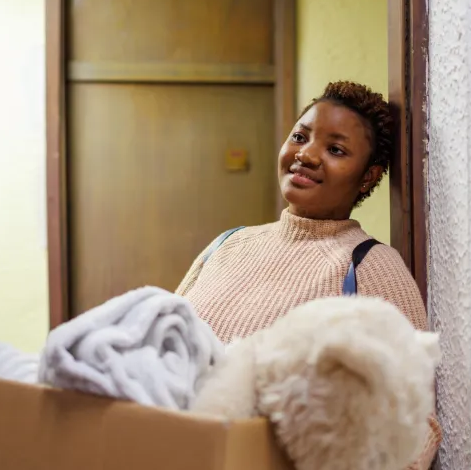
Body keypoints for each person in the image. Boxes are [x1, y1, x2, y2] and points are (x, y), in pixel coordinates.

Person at [176, 80, 440, 470]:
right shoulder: (227, 244)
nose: (307, 155)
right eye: (300, 136)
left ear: (368, 177)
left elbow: (417, 420)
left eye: (335, 149)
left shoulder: (369, 266)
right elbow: (161, 350)